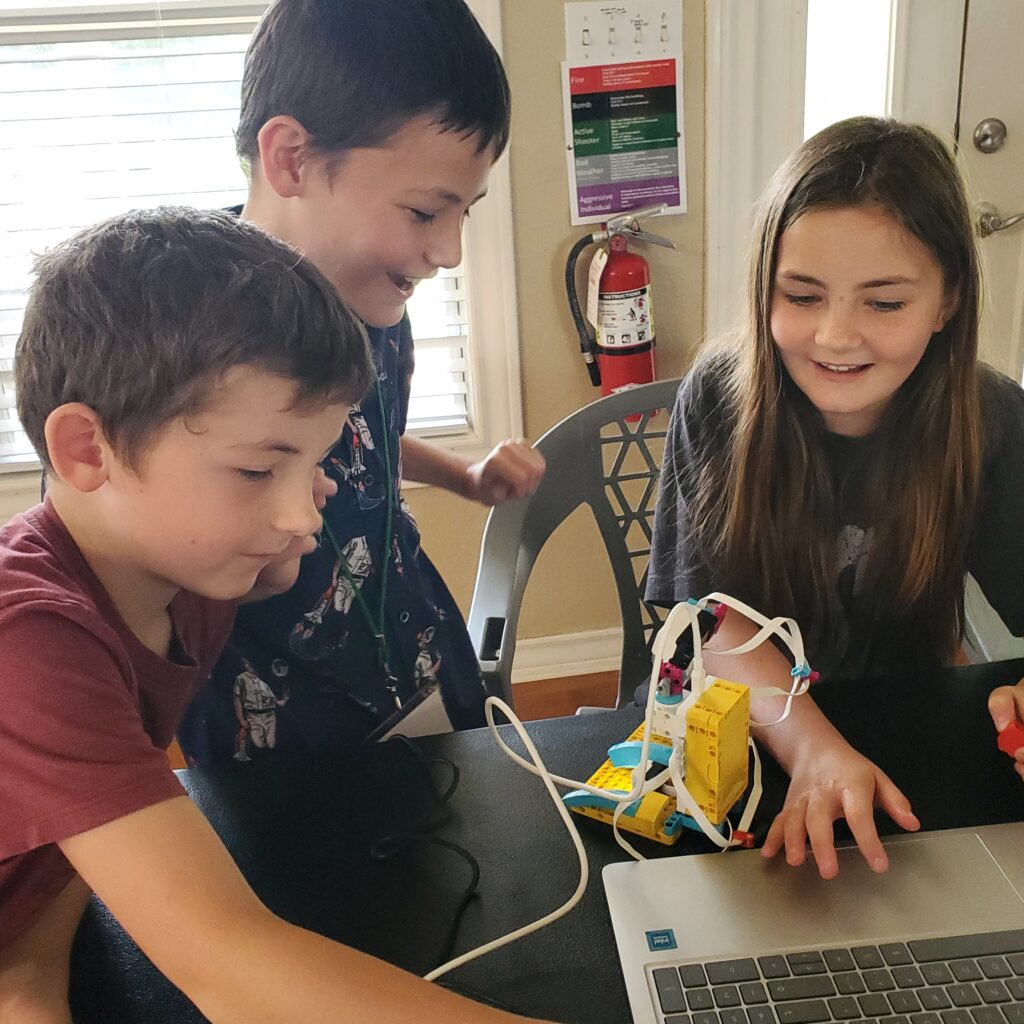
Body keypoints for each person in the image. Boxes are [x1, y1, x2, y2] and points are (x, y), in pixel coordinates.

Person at [0, 207, 554, 1024]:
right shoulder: (29, 641)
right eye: (259, 469)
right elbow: (231, 964)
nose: (303, 516)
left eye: (316, 463)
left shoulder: (179, 563)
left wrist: (31, 967)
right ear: (88, 450)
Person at [646, 117, 1024, 880]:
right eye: (802, 295)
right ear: (765, 289)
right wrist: (815, 748)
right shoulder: (718, 400)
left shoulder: (993, 419)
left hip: (906, 731)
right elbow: (712, 623)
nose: (835, 336)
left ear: (948, 300)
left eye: (884, 304)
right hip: (730, 744)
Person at [177, 0, 545, 765]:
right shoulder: (173, 338)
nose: (447, 251)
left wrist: (465, 477)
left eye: (463, 214)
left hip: (418, 651)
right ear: (292, 158)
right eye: (423, 212)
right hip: (283, 723)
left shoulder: (377, 298)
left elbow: (362, 438)